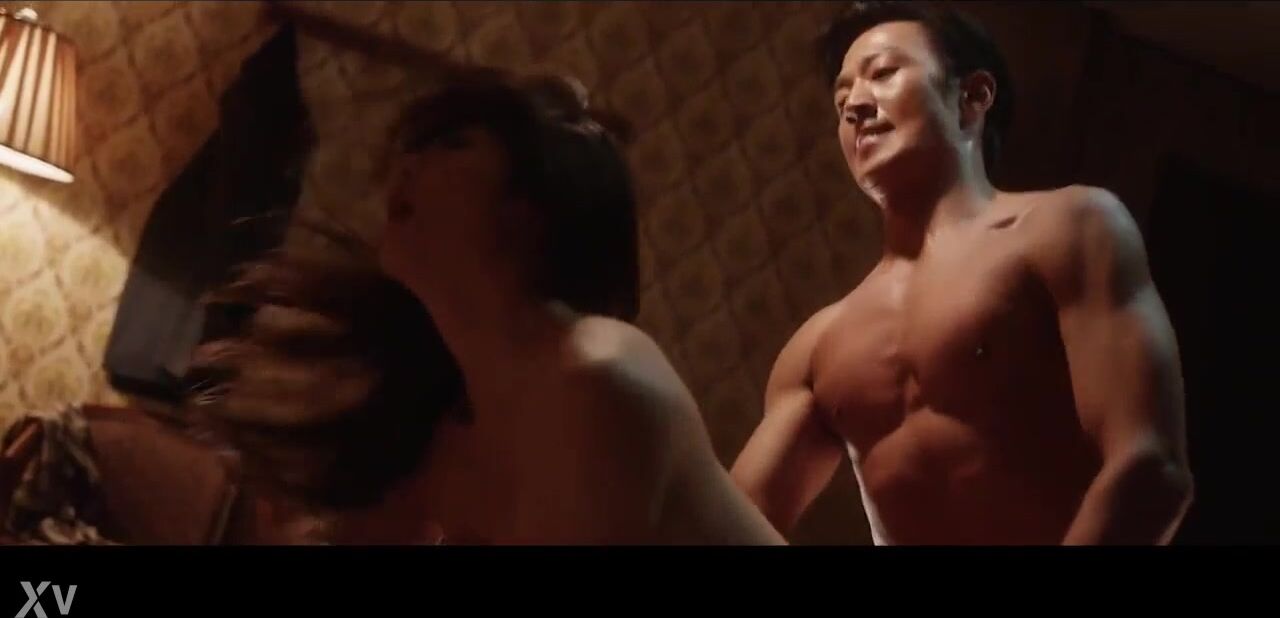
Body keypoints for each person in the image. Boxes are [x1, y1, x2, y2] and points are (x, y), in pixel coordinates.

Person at [188, 70, 783, 545]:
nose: (407, 166)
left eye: (453, 144)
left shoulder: (598, 373)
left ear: (532, 206)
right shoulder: (456, 434)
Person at [730, 2, 1193, 545]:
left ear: (972, 96)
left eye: (883, 73)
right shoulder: (818, 347)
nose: (855, 104)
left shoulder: (1066, 228)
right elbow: (726, 526)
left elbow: (1150, 468)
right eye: (841, 98)